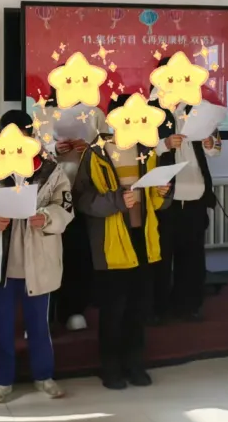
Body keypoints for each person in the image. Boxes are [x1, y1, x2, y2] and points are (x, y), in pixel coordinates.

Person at [0, 110, 74, 403]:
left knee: (39, 324)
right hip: (0, 258)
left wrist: (47, 217)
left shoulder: (50, 169)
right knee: (1, 324)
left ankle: (44, 376)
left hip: (38, 258)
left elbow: (65, 204)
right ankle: (2, 381)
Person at [73, 94, 173, 390]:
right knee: (113, 309)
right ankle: (111, 368)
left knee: (139, 308)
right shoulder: (96, 153)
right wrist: (117, 200)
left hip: (144, 237)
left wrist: (163, 192)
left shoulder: (147, 151)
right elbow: (82, 199)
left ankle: (135, 364)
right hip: (111, 242)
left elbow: (159, 203)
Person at [152, 77, 220, 323]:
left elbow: (215, 148)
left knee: (192, 257)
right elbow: (138, 147)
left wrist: (211, 142)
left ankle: (189, 305)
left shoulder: (198, 108)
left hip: (196, 194)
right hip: (165, 198)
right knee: (161, 257)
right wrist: (165, 144)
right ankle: (158, 308)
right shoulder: (151, 110)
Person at [36, 91, 104, 331]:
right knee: (48, 255)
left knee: (79, 254)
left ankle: (75, 309)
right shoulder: (43, 113)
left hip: (83, 192)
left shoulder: (95, 113)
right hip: (49, 195)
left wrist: (90, 148)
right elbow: (30, 148)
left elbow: (109, 147)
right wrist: (54, 147)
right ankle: (46, 311)